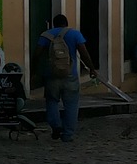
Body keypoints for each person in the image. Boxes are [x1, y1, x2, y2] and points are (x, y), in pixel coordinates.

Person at [38, 13, 96, 142]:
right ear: (66, 23)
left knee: (52, 101)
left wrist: (35, 73)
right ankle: (67, 134)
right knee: (71, 105)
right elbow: (84, 53)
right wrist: (91, 68)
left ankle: (56, 125)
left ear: (54, 24)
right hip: (70, 76)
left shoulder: (46, 35)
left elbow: (37, 54)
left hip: (51, 75)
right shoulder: (75, 34)